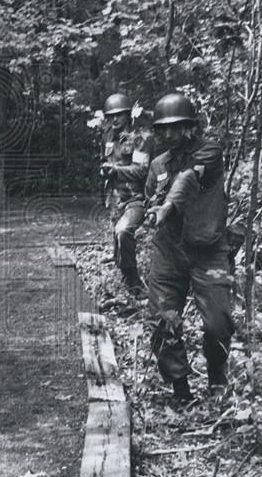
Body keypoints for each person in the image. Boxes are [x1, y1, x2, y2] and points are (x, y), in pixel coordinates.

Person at [143, 93, 235, 405]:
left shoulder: (209, 151)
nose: (166, 135)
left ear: (189, 128)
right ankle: (181, 390)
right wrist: (153, 209)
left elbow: (186, 180)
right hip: (169, 251)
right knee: (162, 319)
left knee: (217, 323)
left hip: (208, 249)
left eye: (174, 128)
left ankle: (217, 381)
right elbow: (151, 199)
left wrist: (168, 207)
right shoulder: (157, 165)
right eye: (161, 129)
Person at [100, 93, 156, 298]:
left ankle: (135, 285)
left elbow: (142, 170)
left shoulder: (141, 138)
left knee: (123, 232)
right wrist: (106, 170)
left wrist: (115, 170)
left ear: (128, 116)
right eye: (110, 116)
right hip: (115, 198)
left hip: (135, 199)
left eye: (119, 115)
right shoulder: (108, 138)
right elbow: (107, 162)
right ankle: (122, 280)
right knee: (117, 238)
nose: (114, 120)